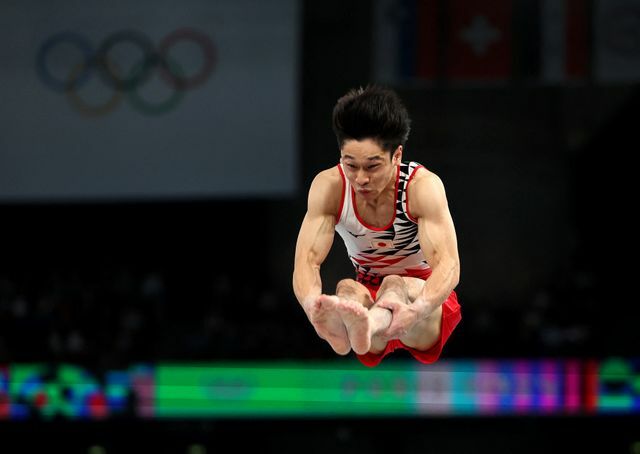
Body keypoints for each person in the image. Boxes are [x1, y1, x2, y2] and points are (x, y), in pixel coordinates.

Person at [293, 85, 461, 367]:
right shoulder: (330, 187)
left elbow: (449, 266)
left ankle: (367, 325)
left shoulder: (421, 187)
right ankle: (361, 327)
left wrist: (417, 310)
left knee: (394, 286)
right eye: (351, 165)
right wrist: (313, 308)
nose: (360, 179)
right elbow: (306, 262)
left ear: (397, 156)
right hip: (369, 297)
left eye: (372, 166)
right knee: (347, 289)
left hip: (427, 302)